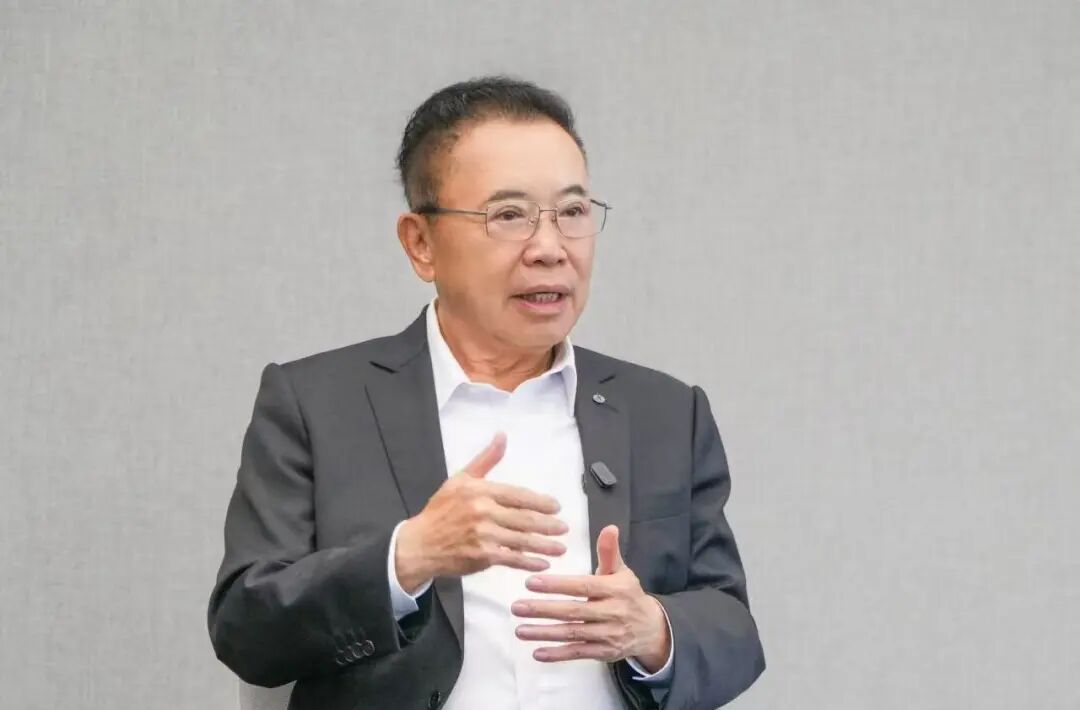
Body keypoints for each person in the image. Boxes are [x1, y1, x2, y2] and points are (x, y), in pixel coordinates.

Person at [208, 76, 765, 710]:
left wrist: (654, 632)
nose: (550, 249)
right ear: (421, 243)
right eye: (508, 216)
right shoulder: (317, 404)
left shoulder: (665, 412)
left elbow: (733, 630)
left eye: (573, 212)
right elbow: (246, 629)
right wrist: (407, 557)